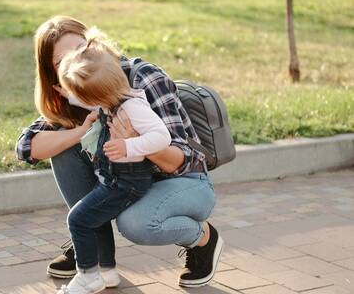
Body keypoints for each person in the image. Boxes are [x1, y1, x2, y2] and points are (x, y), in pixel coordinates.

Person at [16, 15, 223, 288]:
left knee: (135, 223)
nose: (76, 62)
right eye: (61, 62)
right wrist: (80, 131)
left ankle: (204, 238)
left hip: (182, 182)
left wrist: (135, 141)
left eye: (81, 49)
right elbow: (27, 147)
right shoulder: (77, 90)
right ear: (54, 74)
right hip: (127, 181)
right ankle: (96, 256)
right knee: (63, 146)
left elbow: (180, 160)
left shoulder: (141, 79)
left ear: (94, 44)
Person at [56, 29, 171, 294]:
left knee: (79, 219)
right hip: (115, 179)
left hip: (126, 182)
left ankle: (88, 276)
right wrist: (68, 92)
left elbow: (161, 137)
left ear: (97, 97)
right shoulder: (113, 98)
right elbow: (87, 99)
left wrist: (129, 144)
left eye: (81, 97)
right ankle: (103, 273)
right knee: (87, 218)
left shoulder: (133, 107)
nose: (80, 101)